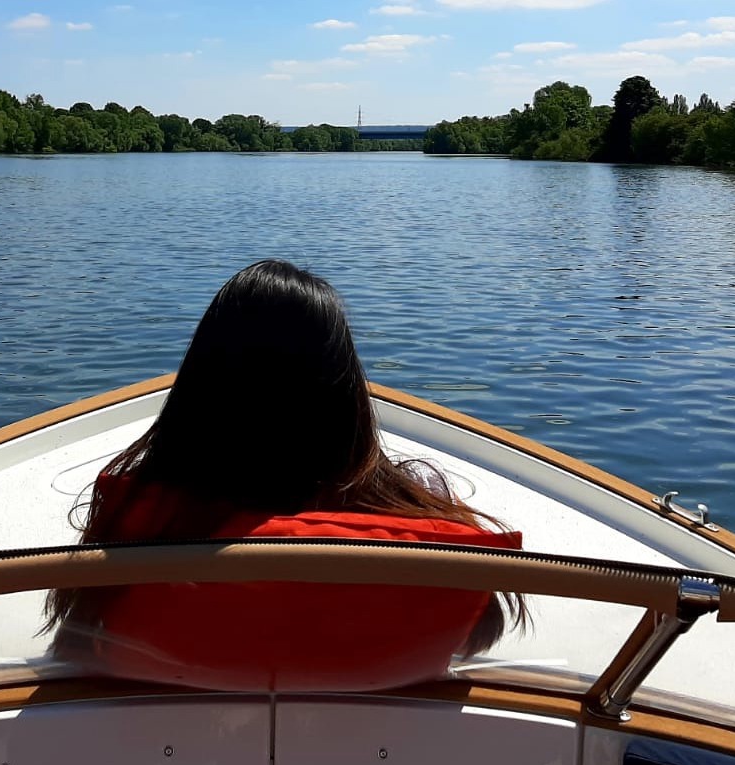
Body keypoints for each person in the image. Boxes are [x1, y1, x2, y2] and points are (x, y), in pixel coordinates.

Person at [43, 259, 525, 690]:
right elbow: (479, 637)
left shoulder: (137, 526)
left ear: (201, 390)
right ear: (344, 394)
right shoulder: (436, 545)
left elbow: (74, 645)